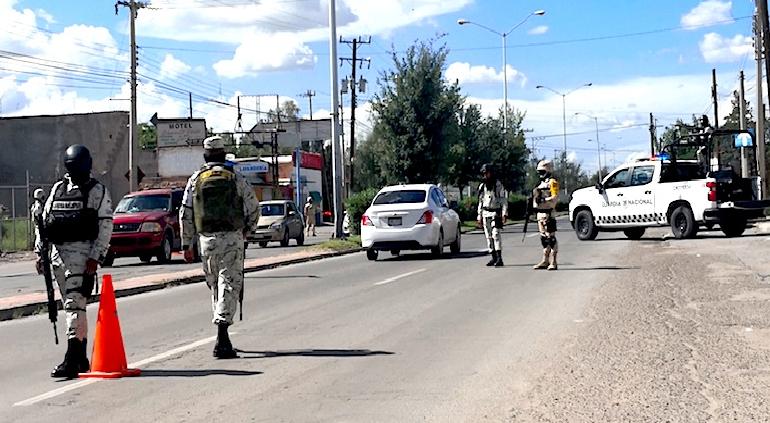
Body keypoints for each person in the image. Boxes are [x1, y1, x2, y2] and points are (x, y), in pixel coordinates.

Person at [35, 144, 113, 378]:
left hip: (82, 256)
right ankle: (80, 358)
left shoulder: (97, 191)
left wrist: (95, 256)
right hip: (58, 255)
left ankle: (72, 358)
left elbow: (105, 225)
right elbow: (45, 222)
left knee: (74, 305)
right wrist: (40, 253)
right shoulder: (58, 188)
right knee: (73, 306)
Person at [180, 136, 260, 359]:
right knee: (229, 284)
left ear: (205, 156)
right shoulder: (235, 177)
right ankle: (222, 337)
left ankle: (221, 331)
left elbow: (185, 213)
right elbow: (253, 206)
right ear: (224, 155)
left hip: (206, 240)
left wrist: (186, 243)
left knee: (216, 284)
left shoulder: (196, 179)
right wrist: (248, 230)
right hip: (232, 238)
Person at [476, 163, 507, 267]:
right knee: (488, 236)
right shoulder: (482, 186)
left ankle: (499, 258)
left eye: (487, 173)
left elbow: (503, 200)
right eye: (484, 174)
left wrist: (504, 213)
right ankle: (493, 256)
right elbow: (480, 202)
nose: (485, 176)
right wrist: (479, 215)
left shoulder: (498, 185)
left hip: (495, 212)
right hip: (485, 213)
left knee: (496, 234)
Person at [532, 160, 560, 271]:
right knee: (544, 239)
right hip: (540, 214)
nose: (540, 174)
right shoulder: (540, 184)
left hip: (548, 214)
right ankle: (545, 260)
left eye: (542, 171)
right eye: (539, 172)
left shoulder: (552, 182)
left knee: (551, 238)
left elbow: (555, 197)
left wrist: (544, 200)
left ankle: (554, 261)